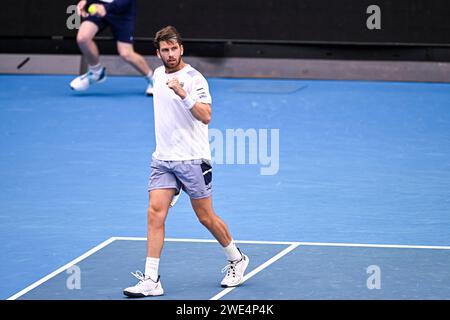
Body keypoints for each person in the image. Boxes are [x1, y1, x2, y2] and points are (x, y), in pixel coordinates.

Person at [123, 26, 249, 297]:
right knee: (155, 213)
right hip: (163, 159)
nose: (170, 54)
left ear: (182, 49)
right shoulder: (157, 74)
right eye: (165, 50)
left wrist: (183, 94)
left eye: (174, 49)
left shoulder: (194, 79)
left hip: (193, 160)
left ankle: (237, 259)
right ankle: (151, 279)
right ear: (158, 53)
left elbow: (206, 116)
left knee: (205, 217)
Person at [70, 0, 154, 95]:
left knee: (126, 53)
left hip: (122, 10)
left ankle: (153, 80)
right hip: (98, 5)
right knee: (83, 38)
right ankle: (96, 72)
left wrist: (106, 8)